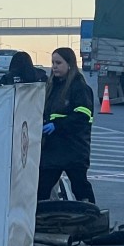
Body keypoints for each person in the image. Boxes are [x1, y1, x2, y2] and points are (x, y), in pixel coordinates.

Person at [38, 47, 97, 203]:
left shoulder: (80, 88)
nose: (54, 66)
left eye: (58, 63)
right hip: (53, 149)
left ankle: (92, 219)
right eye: (52, 63)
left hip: (74, 148)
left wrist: (57, 125)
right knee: (42, 188)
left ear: (69, 64)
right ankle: (43, 221)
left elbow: (82, 116)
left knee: (80, 187)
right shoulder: (51, 87)